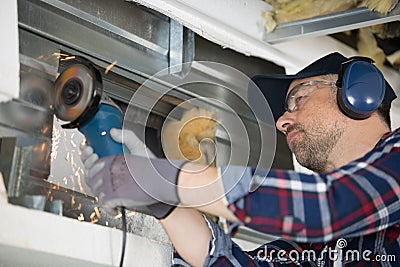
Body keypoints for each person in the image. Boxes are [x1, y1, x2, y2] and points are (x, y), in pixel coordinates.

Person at [80, 52, 400, 266]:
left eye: (298, 98)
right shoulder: (313, 247)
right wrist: (161, 203)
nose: (280, 122)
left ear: (359, 93)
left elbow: (328, 205)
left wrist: (167, 179)